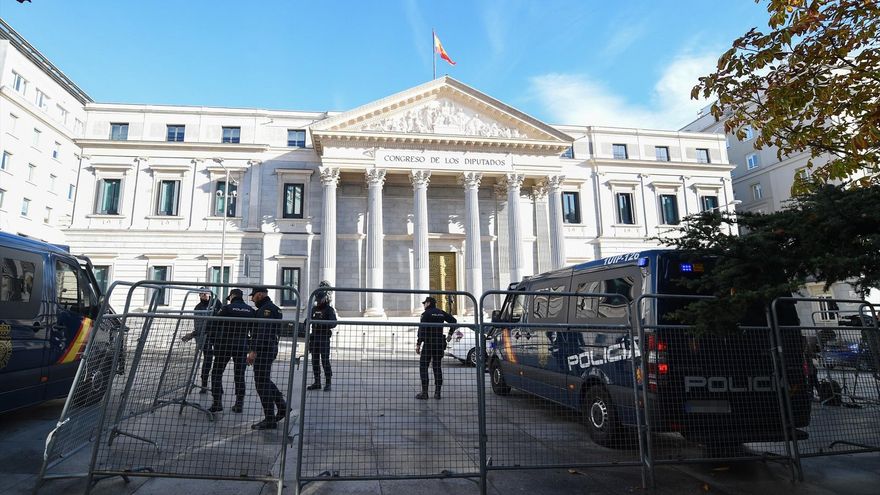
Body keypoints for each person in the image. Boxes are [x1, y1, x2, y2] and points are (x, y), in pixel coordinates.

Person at [247, 287, 287, 430]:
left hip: (264, 350)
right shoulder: (270, 308)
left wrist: (254, 351)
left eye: (253, 296)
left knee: (261, 383)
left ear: (260, 294)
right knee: (264, 380)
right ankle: (282, 407)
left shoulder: (266, 310)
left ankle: (270, 419)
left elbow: (263, 332)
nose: (252, 299)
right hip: (268, 348)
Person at [209, 288, 254, 413]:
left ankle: (217, 402)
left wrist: (215, 340)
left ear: (232, 296)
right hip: (242, 346)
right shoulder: (250, 310)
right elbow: (253, 330)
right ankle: (239, 404)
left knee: (217, 373)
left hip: (225, 345)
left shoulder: (226, 308)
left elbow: (214, 324)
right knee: (239, 375)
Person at [415, 296, 457, 400]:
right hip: (439, 343)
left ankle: (425, 393)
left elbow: (422, 329)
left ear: (428, 303)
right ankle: (437, 393)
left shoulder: (425, 314)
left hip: (429, 343)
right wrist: (450, 334)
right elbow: (454, 321)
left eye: (424, 303)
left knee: (423, 366)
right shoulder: (441, 312)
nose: (424, 305)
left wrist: (419, 343)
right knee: (437, 367)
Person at [181, 288, 221, 394]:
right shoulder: (198, 307)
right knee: (207, 360)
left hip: (218, 337)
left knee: (219, 362)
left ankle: (218, 386)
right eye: (201, 294)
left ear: (209, 294)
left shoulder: (217, 303)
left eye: (205, 293)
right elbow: (198, 325)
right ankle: (204, 385)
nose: (203, 295)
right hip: (205, 337)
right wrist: (195, 335)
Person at [307, 281, 337, 392]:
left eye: (319, 300)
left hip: (324, 338)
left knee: (325, 360)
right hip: (314, 338)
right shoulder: (314, 309)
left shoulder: (329, 310)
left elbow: (333, 323)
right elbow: (308, 320)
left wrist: (322, 323)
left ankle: (328, 382)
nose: (317, 302)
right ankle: (317, 382)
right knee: (314, 360)